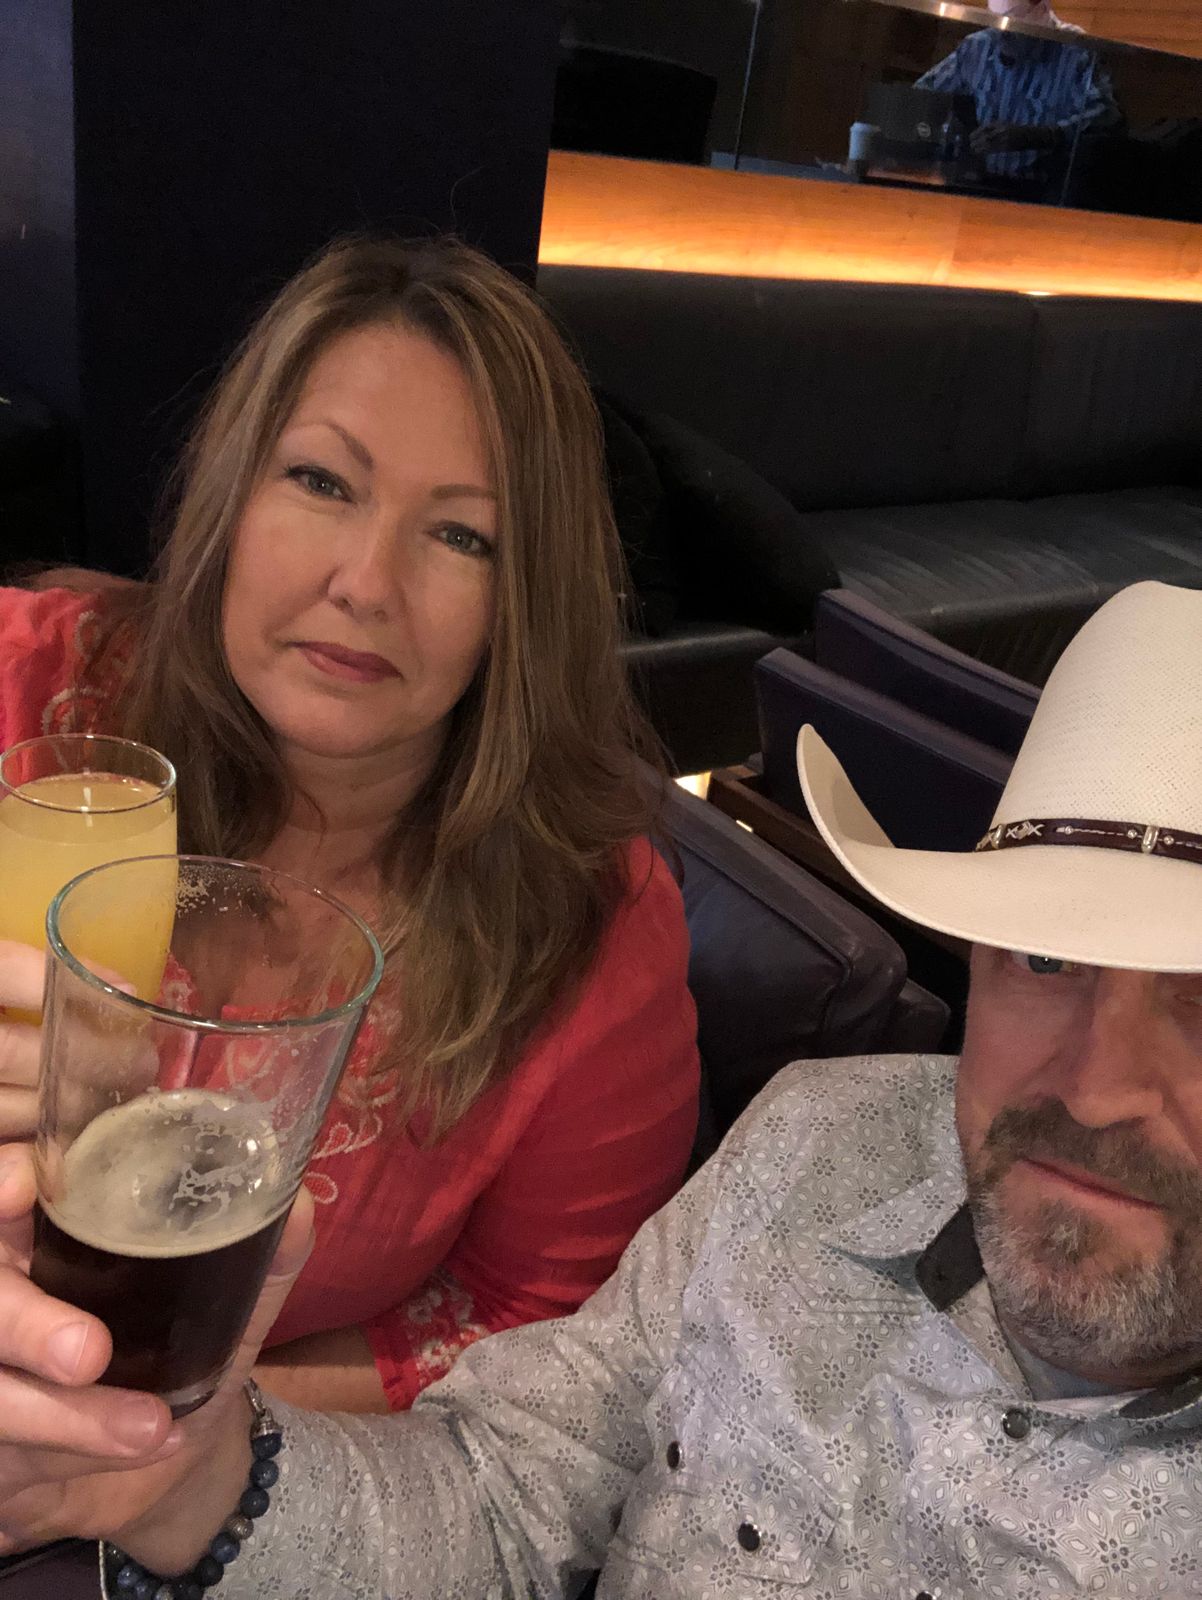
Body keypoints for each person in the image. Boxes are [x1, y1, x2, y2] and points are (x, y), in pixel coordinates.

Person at [3, 577, 1202, 1595]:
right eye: (1046, 959)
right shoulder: (816, 1140)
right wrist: (198, 1483)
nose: (1095, 1088)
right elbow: (504, 1496)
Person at [0, 236, 699, 1417]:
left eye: (462, 536)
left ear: (522, 603)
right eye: (321, 482)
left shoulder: (590, 927)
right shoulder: (30, 692)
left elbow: (534, 1326)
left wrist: (180, 1436)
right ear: (232, 490)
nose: (366, 583)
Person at [915, 0, 1119, 187]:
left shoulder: (1076, 51)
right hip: (974, 181)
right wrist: (955, 130)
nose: (1001, 32)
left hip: (1044, 190)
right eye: (995, 20)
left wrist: (1042, 136)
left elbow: (1106, 117)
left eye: (1012, 21)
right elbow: (923, 91)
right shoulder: (978, 46)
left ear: (1041, 10)